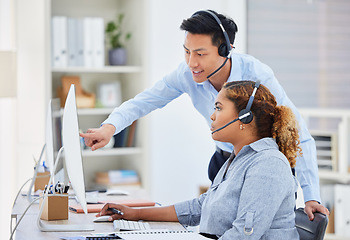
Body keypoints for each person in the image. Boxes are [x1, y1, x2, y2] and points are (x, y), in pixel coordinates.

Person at [80, 10, 329, 219]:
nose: (191, 63)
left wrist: (312, 196)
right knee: (214, 223)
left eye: (200, 54)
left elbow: (297, 133)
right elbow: (144, 101)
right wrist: (109, 127)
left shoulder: (257, 75)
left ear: (225, 49)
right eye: (187, 51)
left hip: (262, 167)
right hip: (224, 162)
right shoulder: (186, 74)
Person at [97, 81, 301, 239]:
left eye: (219, 108)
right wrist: (136, 214)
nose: (212, 116)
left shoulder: (268, 164)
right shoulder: (238, 158)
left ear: (245, 118)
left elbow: (244, 235)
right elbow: (201, 207)